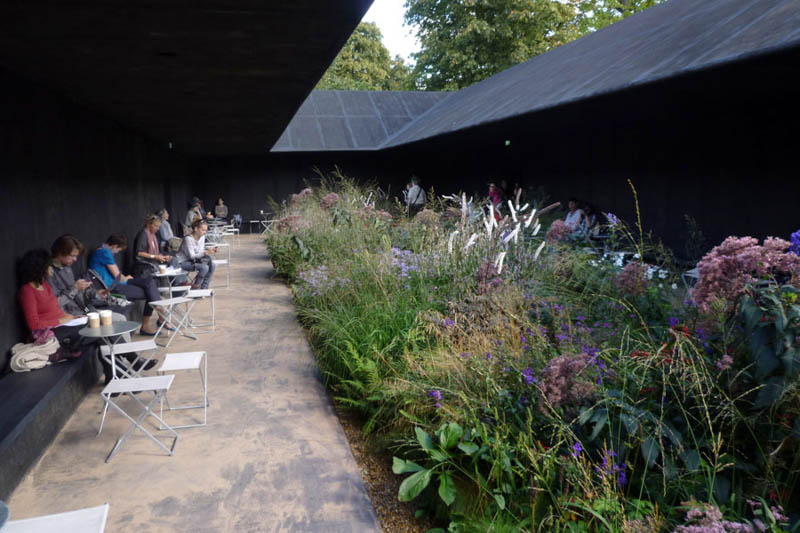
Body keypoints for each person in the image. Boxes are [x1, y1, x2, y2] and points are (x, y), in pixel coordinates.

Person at [17, 249, 113, 381]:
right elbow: (34, 325)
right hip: (50, 334)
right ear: (41, 268)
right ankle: (125, 365)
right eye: (49, 265)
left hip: (65, 326)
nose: (51, 268)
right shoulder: (27, 291)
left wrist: (73, 318)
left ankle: (113, 375)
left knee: (102, 331)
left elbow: (56, 311)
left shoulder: (45, 286)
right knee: (100, 333)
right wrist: (61, 321)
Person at [88, 234, 164, 336]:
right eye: (118, 249)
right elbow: (117, 275)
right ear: (114, 246)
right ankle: (159, 315)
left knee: (150, 283)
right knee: (150, 292)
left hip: (117, 283)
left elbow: (117, 274)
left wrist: (125, 277)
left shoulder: (101, 250)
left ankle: (159, 313)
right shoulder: (104, 252)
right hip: (113, 287)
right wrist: (125, 278)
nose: (118, 252)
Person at [177, 219, 217, 290]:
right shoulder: (188, 239)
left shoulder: (202, 237)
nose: (205, 232)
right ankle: (195, 289)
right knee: (204, 267)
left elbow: (200, 251)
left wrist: (207, 251)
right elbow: (192, 256)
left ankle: (204, 288)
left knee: (213, 265)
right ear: (196, 229)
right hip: (182, 262)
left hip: (193, 261)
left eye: (206, 230)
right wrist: (206, 252)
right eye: (203, 230)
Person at [133, 214, 173, 278]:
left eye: (159, 227)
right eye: (156, 226)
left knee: (173, 261)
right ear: (149, 225)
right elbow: (139, 253)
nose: (158, 229)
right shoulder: (143, 234)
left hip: (153, 262)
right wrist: (155, 257)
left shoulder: (153, 235)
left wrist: (163, 257)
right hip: (144, 264)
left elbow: (156, 254)